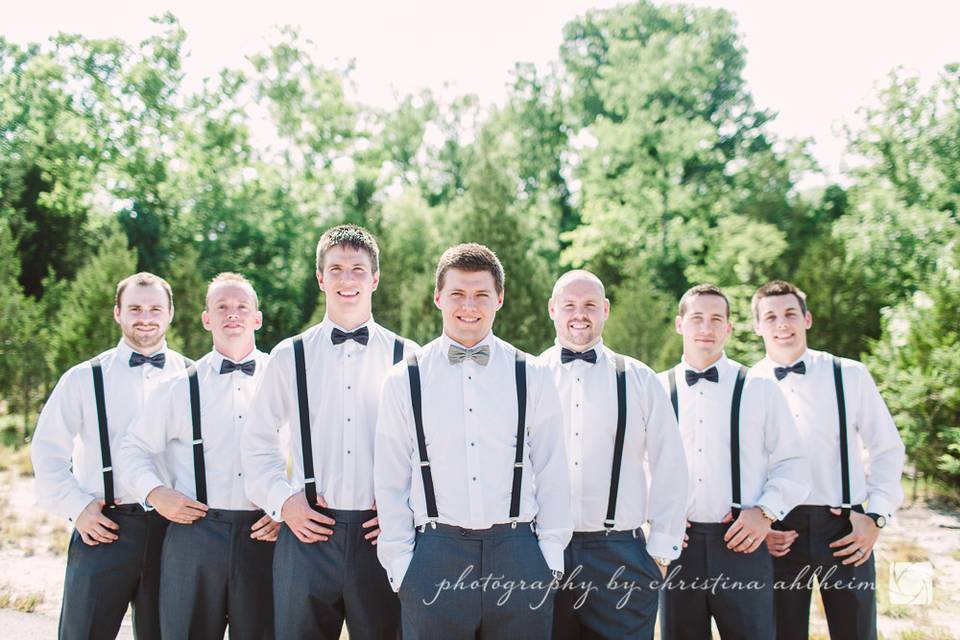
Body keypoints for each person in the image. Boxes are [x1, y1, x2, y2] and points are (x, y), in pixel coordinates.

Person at [375, 243, 572, 640]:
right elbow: (391, 480)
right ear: (438, 298)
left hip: (518, 552)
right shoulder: (404, 379)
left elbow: (553, 470)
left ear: (499, 299)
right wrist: (402, 566)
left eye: (481, 294)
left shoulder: (531, 374)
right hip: (433, 554)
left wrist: (548, 559)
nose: (469, 305)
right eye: (457, 294)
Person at [242, 224, 413, 639]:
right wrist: (284, 502)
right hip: (307, 536)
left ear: (375, 278)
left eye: (358, 269)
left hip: (383, 539)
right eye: (336, 269)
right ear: (320, 278)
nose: (347, 279)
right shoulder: (289, 356)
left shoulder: (408, 357)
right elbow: (255, 445)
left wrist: (406, 508)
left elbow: (428, 451)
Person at [119, 272, 278, 638]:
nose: (231, 314)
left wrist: (286, 507)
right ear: (207, 318)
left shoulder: (283, 378)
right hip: (195, 535)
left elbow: (309, 450)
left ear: (257, 317)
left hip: (265, 535)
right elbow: (132, 450)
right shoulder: (178, 386)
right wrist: (156, 494)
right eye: (221, 306)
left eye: (241, 306)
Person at [31, 272, 189, 640]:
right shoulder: (84, 378)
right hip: (103, 528)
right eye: (134, 308)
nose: (145, 317)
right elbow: (47, 449)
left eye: (154, 309)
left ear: (170, 313)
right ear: (118, 313)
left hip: (174, 533)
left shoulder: (193, 376)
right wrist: (78, 507)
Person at [751, 280, 905, 640]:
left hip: (844, 526)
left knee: (855, 632)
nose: (782, 324)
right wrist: (759, 523)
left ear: (807, 319)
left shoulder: (848, 374)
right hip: (778, 530)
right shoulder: (746, 383)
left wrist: (876, 516)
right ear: (757, 326)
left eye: (790, 313)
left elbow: (887, 447)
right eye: (770, 316)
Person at [541, 270, 687, 640]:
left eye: (590, 305)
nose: (580, 314)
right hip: (542, 550)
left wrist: (661, 552)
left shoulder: (639, 379)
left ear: (605, 309)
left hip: (621, 553)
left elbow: (669, 462)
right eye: (570, 305)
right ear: (552, 309)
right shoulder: (528, 375)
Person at [657, 284, 809, 640]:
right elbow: (641, 465)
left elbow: (794, 464)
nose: (706, 329)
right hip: (680, 545)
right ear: (680, 324)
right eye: (697, 319)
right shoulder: (657, 388)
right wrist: (658, 518)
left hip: (743, 544)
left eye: (716, 319)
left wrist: (765, 512)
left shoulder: (759, 386)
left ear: (729, 328)